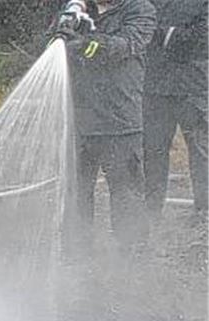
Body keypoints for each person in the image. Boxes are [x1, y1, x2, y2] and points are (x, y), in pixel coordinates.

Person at [59, 0, 157, 253]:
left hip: (119, 120)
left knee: (126, 192)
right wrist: (65, 24)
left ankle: (132, 252)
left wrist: (86, 44)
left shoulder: (140, 10)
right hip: (80, 120)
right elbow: (52, 44)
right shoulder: (79, 11)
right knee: (75, 193)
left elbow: (124, 45)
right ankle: (76, 252)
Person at [143, 0, 208, 224]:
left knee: (200, 150)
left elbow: (203, 38)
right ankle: (151, 208)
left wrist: (164, 35)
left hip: (193, 87)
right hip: (155, 86)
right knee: (153, 149)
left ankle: (204, 209)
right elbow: (140, 27)